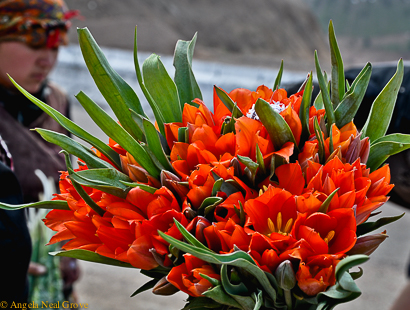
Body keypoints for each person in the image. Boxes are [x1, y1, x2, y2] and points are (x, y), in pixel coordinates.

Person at [0, 0, 80, 302]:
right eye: (34, 43)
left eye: (56, 47)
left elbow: (69, 186)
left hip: (51, 287)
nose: (47, 60)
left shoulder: (56, 102)